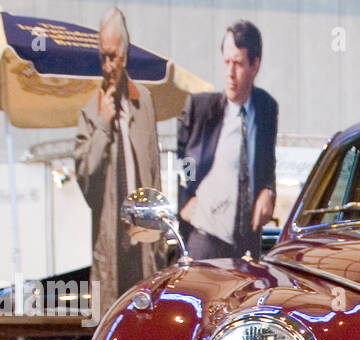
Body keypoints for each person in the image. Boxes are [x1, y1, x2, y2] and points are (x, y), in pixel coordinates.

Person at [73, 7, 164, 309]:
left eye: (112, 56)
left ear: (124, 56)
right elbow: (85, 178)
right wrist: (102, 125)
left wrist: (160, 238)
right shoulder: (90, 112)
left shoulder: (145, 102)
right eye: (102, 57)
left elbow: (154, 171)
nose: (107, 65)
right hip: (111, 248)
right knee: (109, 321)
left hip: (144, 246)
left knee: (148, 322)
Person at [176, 20, 278, 260]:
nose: (230, 73)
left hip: (247, 245)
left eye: (238, 64)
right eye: (226, 62)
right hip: (206, 239)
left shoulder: (266, 109)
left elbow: (267, 161)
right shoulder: (201, 109)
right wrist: (186, 198)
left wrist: (269, 190)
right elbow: (184, 158)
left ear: (255, 65)